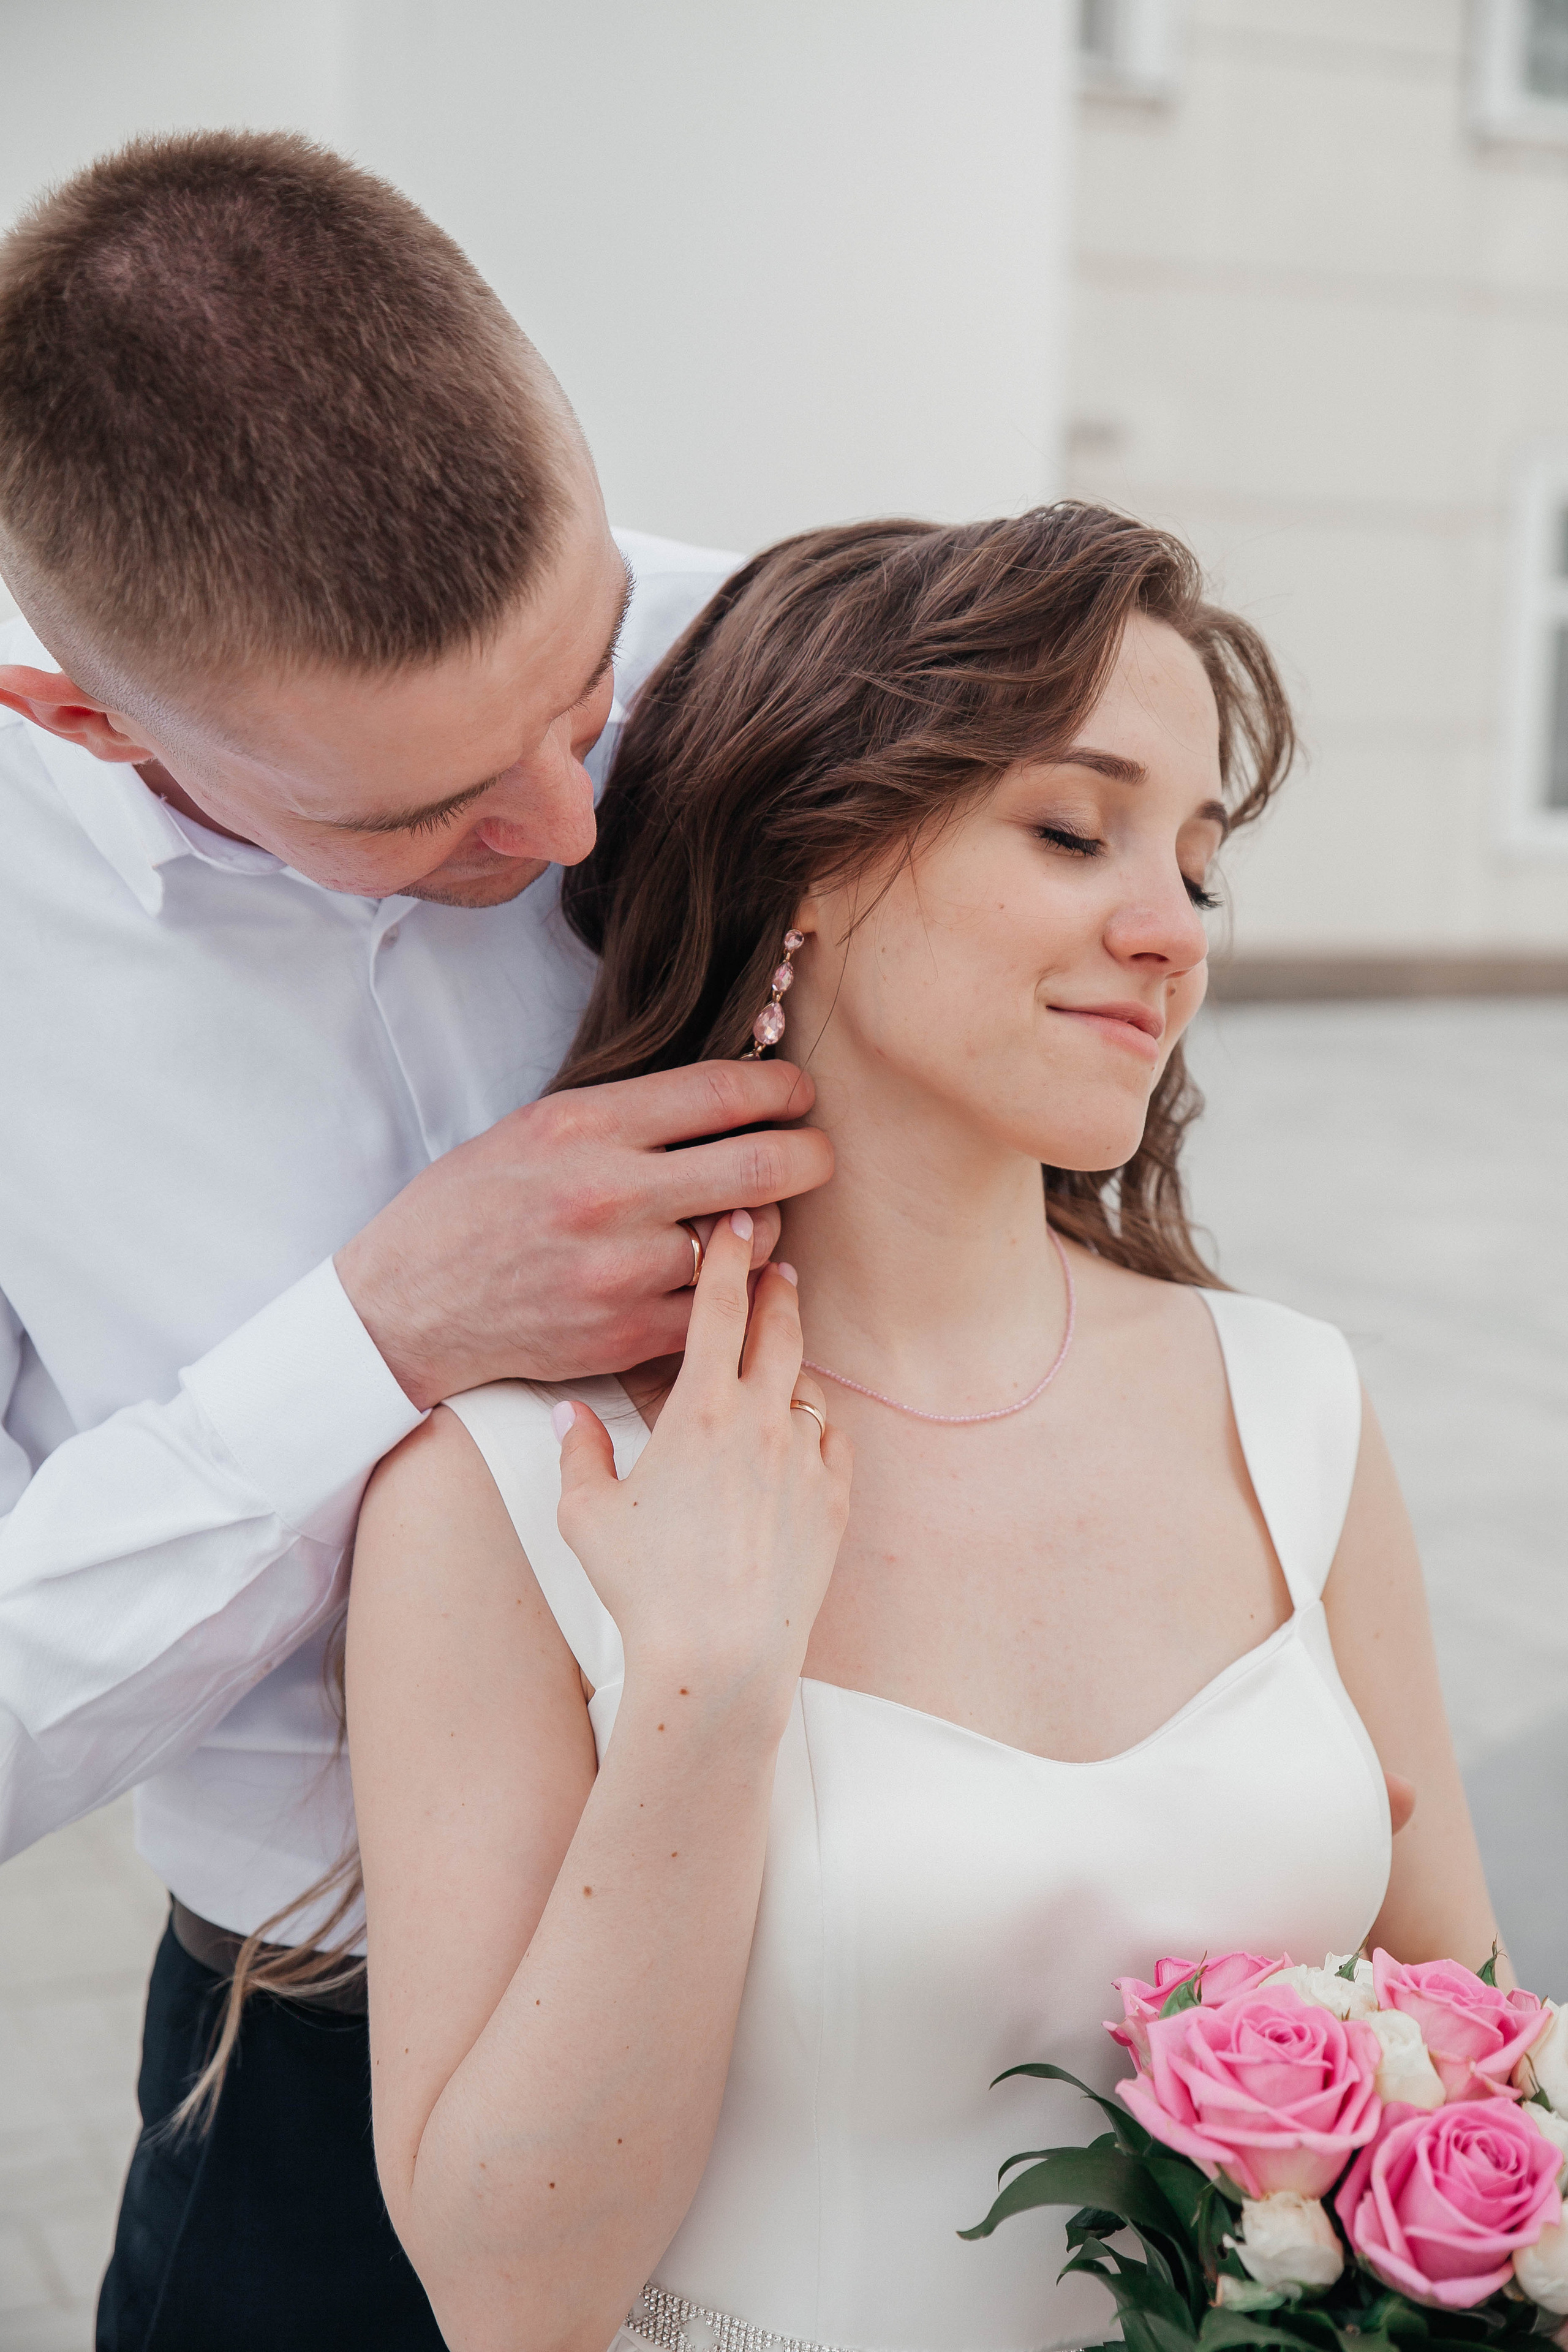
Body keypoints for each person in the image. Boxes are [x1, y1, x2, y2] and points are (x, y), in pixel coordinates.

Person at [347, 507, 1502, 2352]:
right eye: (1072, 830)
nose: (1170, 932)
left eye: (1200, 868)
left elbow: (1469, 2039)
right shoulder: (502, 1494)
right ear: (806, 856)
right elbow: (509, 2297)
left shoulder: (1291, 1403)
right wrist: (708, 1693)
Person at [0, 132, 831, 2350]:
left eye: (585, 696)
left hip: (857, 1985)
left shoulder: (786, 666)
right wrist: (369, 1343)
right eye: (422, 813)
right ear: (82, 721)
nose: (570, 829)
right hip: (316, 2059)